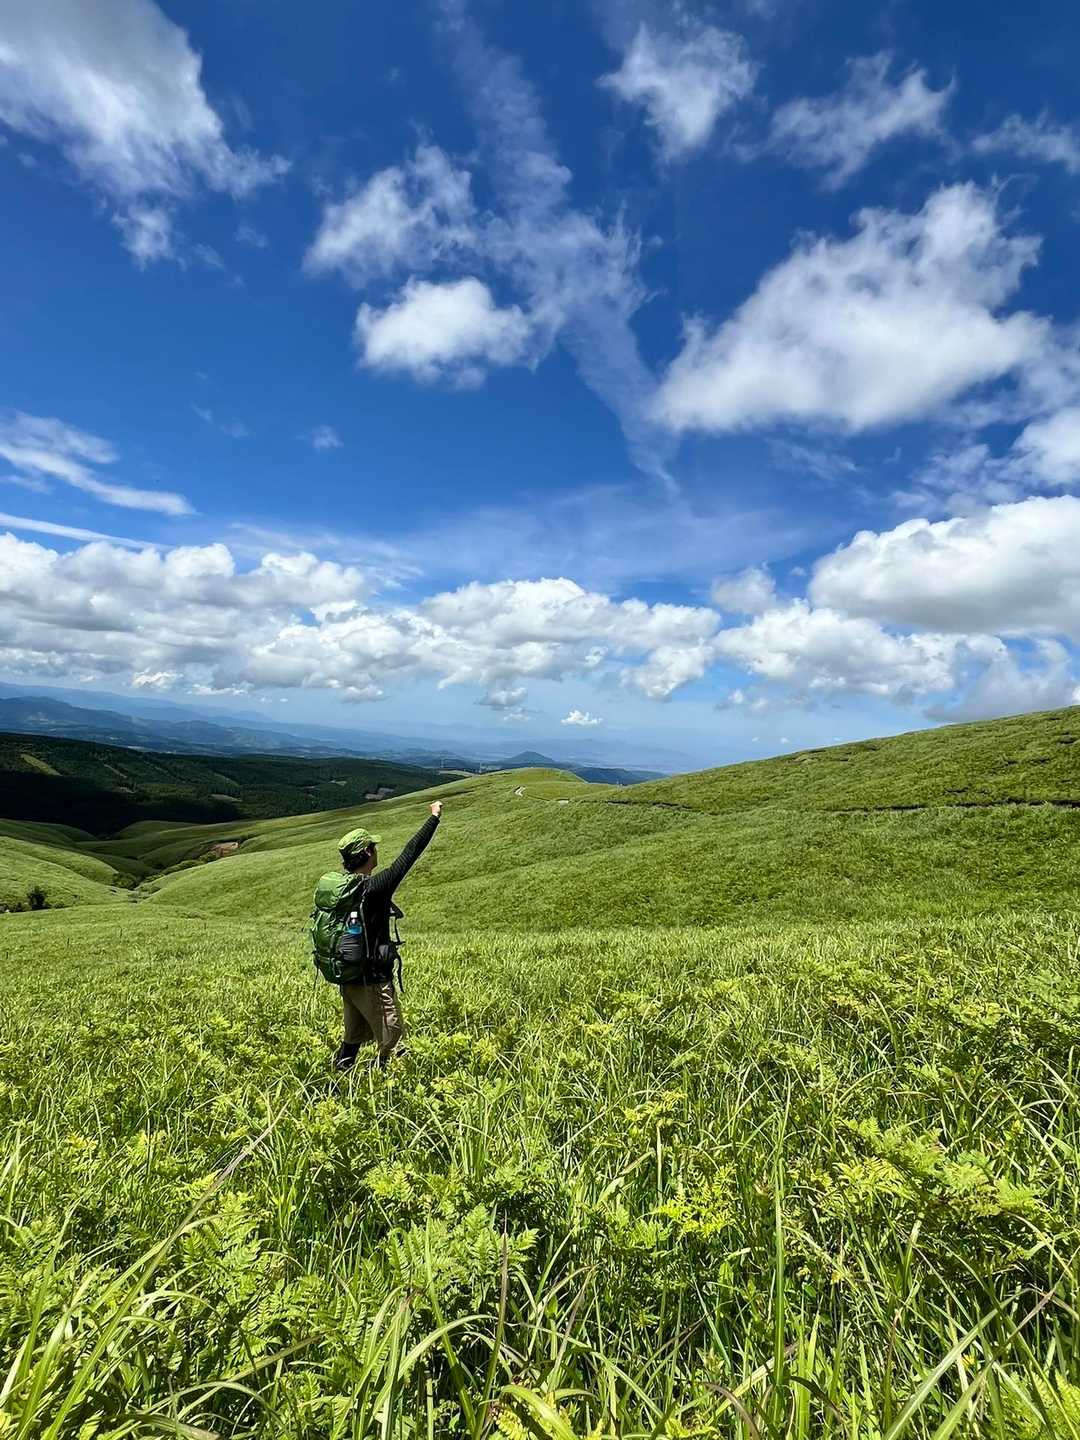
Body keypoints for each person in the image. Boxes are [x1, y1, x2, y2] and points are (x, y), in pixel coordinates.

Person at [330, 800, 442, 1071]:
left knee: (353, 1037)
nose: (376, 851)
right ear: (367, 852)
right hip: (373, 980)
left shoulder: (341, 889)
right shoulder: (374, 888)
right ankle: (389, 1085)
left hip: (349, 977)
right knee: (393, 1041)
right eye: (374, 847)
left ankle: (337, 1080)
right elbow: (410, 854)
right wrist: (434, 817)